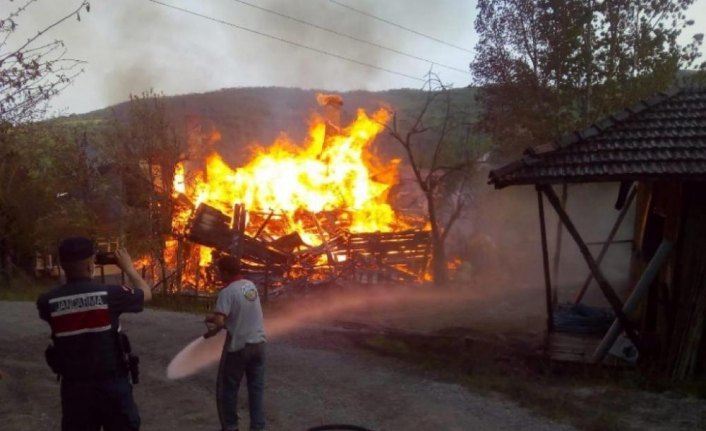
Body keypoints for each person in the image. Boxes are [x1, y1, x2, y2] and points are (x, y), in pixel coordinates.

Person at [36, 236, 152, 431]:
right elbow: (146, 294)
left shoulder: (47, 302)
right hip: (112, 386)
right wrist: (129, 268)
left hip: (75, 390)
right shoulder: (110, 295)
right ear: (91, 265)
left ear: (63, 266)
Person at [205, 255, 266, 431]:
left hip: (239, 347)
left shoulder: (227, 292)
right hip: (259, 345)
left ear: (225, 272)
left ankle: (230, 427)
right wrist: (217, 319)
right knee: (256, 390)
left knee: (228, 389)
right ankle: (258, 427)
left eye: (218, 271)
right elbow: (240, 311)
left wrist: (215, 326)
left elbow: (219, 321)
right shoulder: (250, 286)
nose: (217, 275)